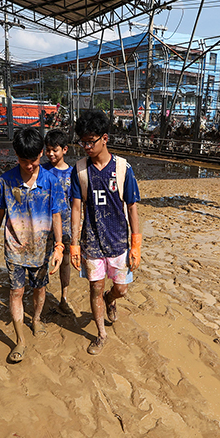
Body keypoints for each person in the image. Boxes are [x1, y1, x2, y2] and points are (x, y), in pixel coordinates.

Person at [0, 128, 65, 363]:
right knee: (16, 291)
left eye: (33, 160)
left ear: (41, 153)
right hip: (15, 247)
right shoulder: (6, 180)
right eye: (24, 160)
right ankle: (20, 339)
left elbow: (56, 215)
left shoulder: (51, 182)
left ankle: (36, 319)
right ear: (16, 155)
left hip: (42, 248)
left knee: (40, 288)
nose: (29, 166)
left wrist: (59, 245)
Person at [69, 109, 141, 355]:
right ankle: (101, 334)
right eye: (83, 142)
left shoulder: (122, 169)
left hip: (119, 242)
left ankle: (111, 300)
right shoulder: (80, 170)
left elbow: (132, 207)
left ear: (105, 138)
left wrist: (136, 245)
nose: (86, 147)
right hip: (92, 243)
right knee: (95, 288)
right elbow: (76, 209)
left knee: (121, 289)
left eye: (91, 141)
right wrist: (74, 244)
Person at [42, 129, 74, 315]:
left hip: (66, 226)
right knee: (43, 261)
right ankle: (42, 295)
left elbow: (75, 204)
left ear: (65, 149)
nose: (51, 154)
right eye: (48, 150)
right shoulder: (41, 170)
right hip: (44, 226)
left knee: (65, 262)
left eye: (55, 150)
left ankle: (64, 298)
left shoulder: (72, 174)